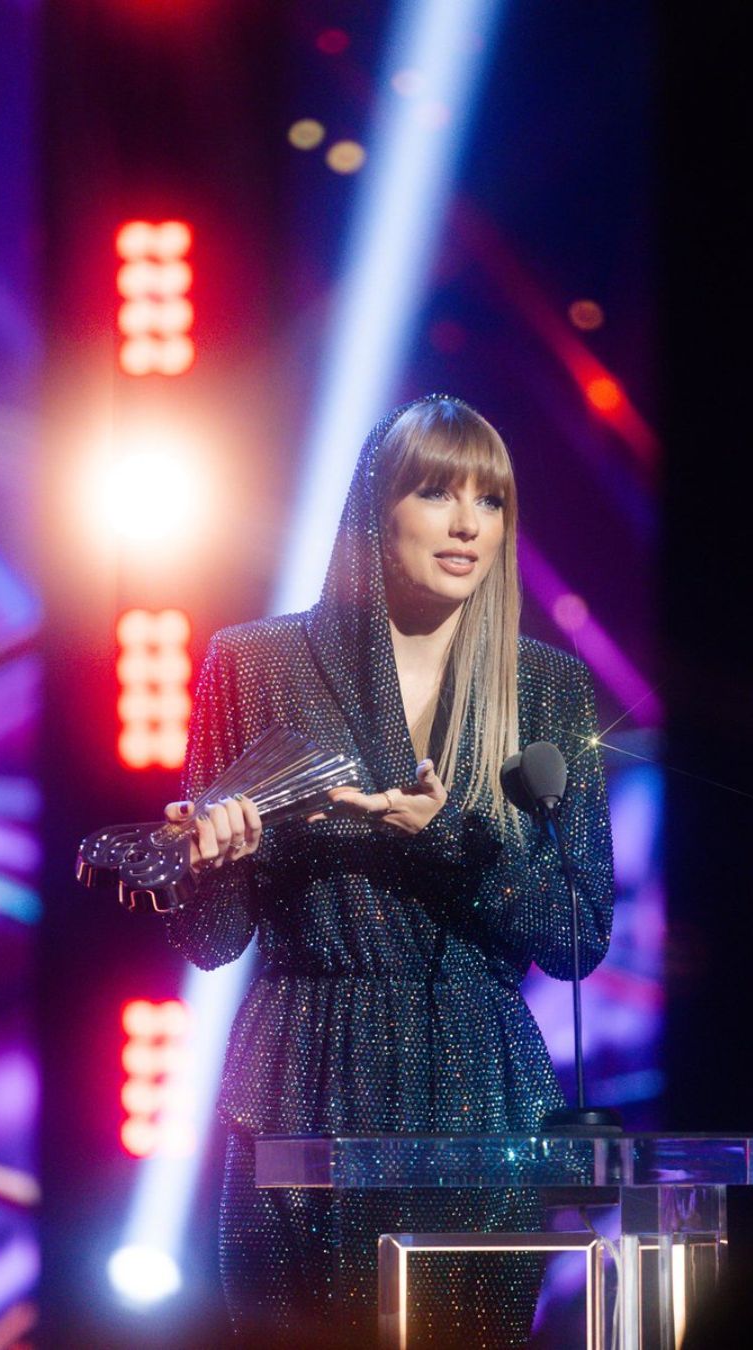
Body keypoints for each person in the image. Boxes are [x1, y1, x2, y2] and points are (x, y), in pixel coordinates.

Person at [163, 394, 614, 1346]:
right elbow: (209, 944)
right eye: (437, 493)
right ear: (377, 506)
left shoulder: (546, 688)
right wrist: (214, 864)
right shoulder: (255, 665)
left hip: (481, 1098)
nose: (467, 524)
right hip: (297, 1079)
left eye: (490, 501)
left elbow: (578, 936)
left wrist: (447, 836)